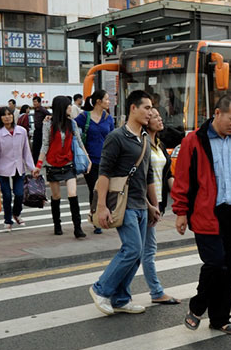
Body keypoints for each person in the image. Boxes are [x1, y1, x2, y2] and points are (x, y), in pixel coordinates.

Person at [173, 93, 231, 335]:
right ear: (217, 113)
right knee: (216, 263)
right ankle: (198, 306)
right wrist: (180, 212)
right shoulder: (193, 141)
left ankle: (220, 319)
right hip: (205, 212)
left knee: (227, 267)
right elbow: (182, 178)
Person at [88, 90, 159, 315]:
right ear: (133, 108)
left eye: (151, 108)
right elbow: (104, 174)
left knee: (136, 253)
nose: (150, 112)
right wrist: (101, 206)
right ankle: (101, 289)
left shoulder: (145, 139)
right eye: (146, 108)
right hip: (123, 204)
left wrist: (152, 204)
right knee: (132, 249)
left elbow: (147, 176)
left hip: (141, 205)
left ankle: (121, 298)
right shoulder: (116, 137)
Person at [35, 95, 88, 238]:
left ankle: (78, 228)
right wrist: (38, 166)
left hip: (69, 163)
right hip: (52, 164)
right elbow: (45, 145)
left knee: (72, 194)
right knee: (56, 196)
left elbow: (79, 142)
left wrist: (86, 158)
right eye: (68, 105)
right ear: (61, 108)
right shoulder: (48, 124)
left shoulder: (72, 124)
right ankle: (57, 225)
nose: (71, 107)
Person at [143, 107, 179, 305]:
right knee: (144, 250)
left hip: (157, 203)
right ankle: (156, 291)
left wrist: (179, 197)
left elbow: (167, 175)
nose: (160, 119)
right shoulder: (142, 143)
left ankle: (115, 290)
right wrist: (149, 204)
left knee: (136, 251)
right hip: (145, 204)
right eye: (155, 116)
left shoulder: (159, 144)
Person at [0, 105, 36, 231]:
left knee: (20, 194)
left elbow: (26, 151)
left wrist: (32, 168)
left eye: (9, 114)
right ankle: (7, 219)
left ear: (13, 116)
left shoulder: (22, 131)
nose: (7, 117)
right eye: (4, 115)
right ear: (0, 118)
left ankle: (17, 213)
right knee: (7, 196)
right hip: (2, 169)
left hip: (19, 168)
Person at [74, 90, 114, 234]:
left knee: (105, 189)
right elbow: (70, 126)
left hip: (106, 160)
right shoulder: (85, 116)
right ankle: (96, 218)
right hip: (90, 161)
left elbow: (113, 138)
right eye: (107, 99)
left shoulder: (109, 118)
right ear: (98, 101)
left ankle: (101, 215)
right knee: (94, 189)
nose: (109, 102)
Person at [30, 96, 49, 164]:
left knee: (40, 147)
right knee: (35, 148)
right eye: (33, 102)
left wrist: (45, 121)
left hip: (41, 131)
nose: (34, 103)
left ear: (39, 102)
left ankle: (38, 162)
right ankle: (34, 162)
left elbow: (49, 115)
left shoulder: (42, 110)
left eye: (35, 102)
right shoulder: (36, 110)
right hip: (36, 130)